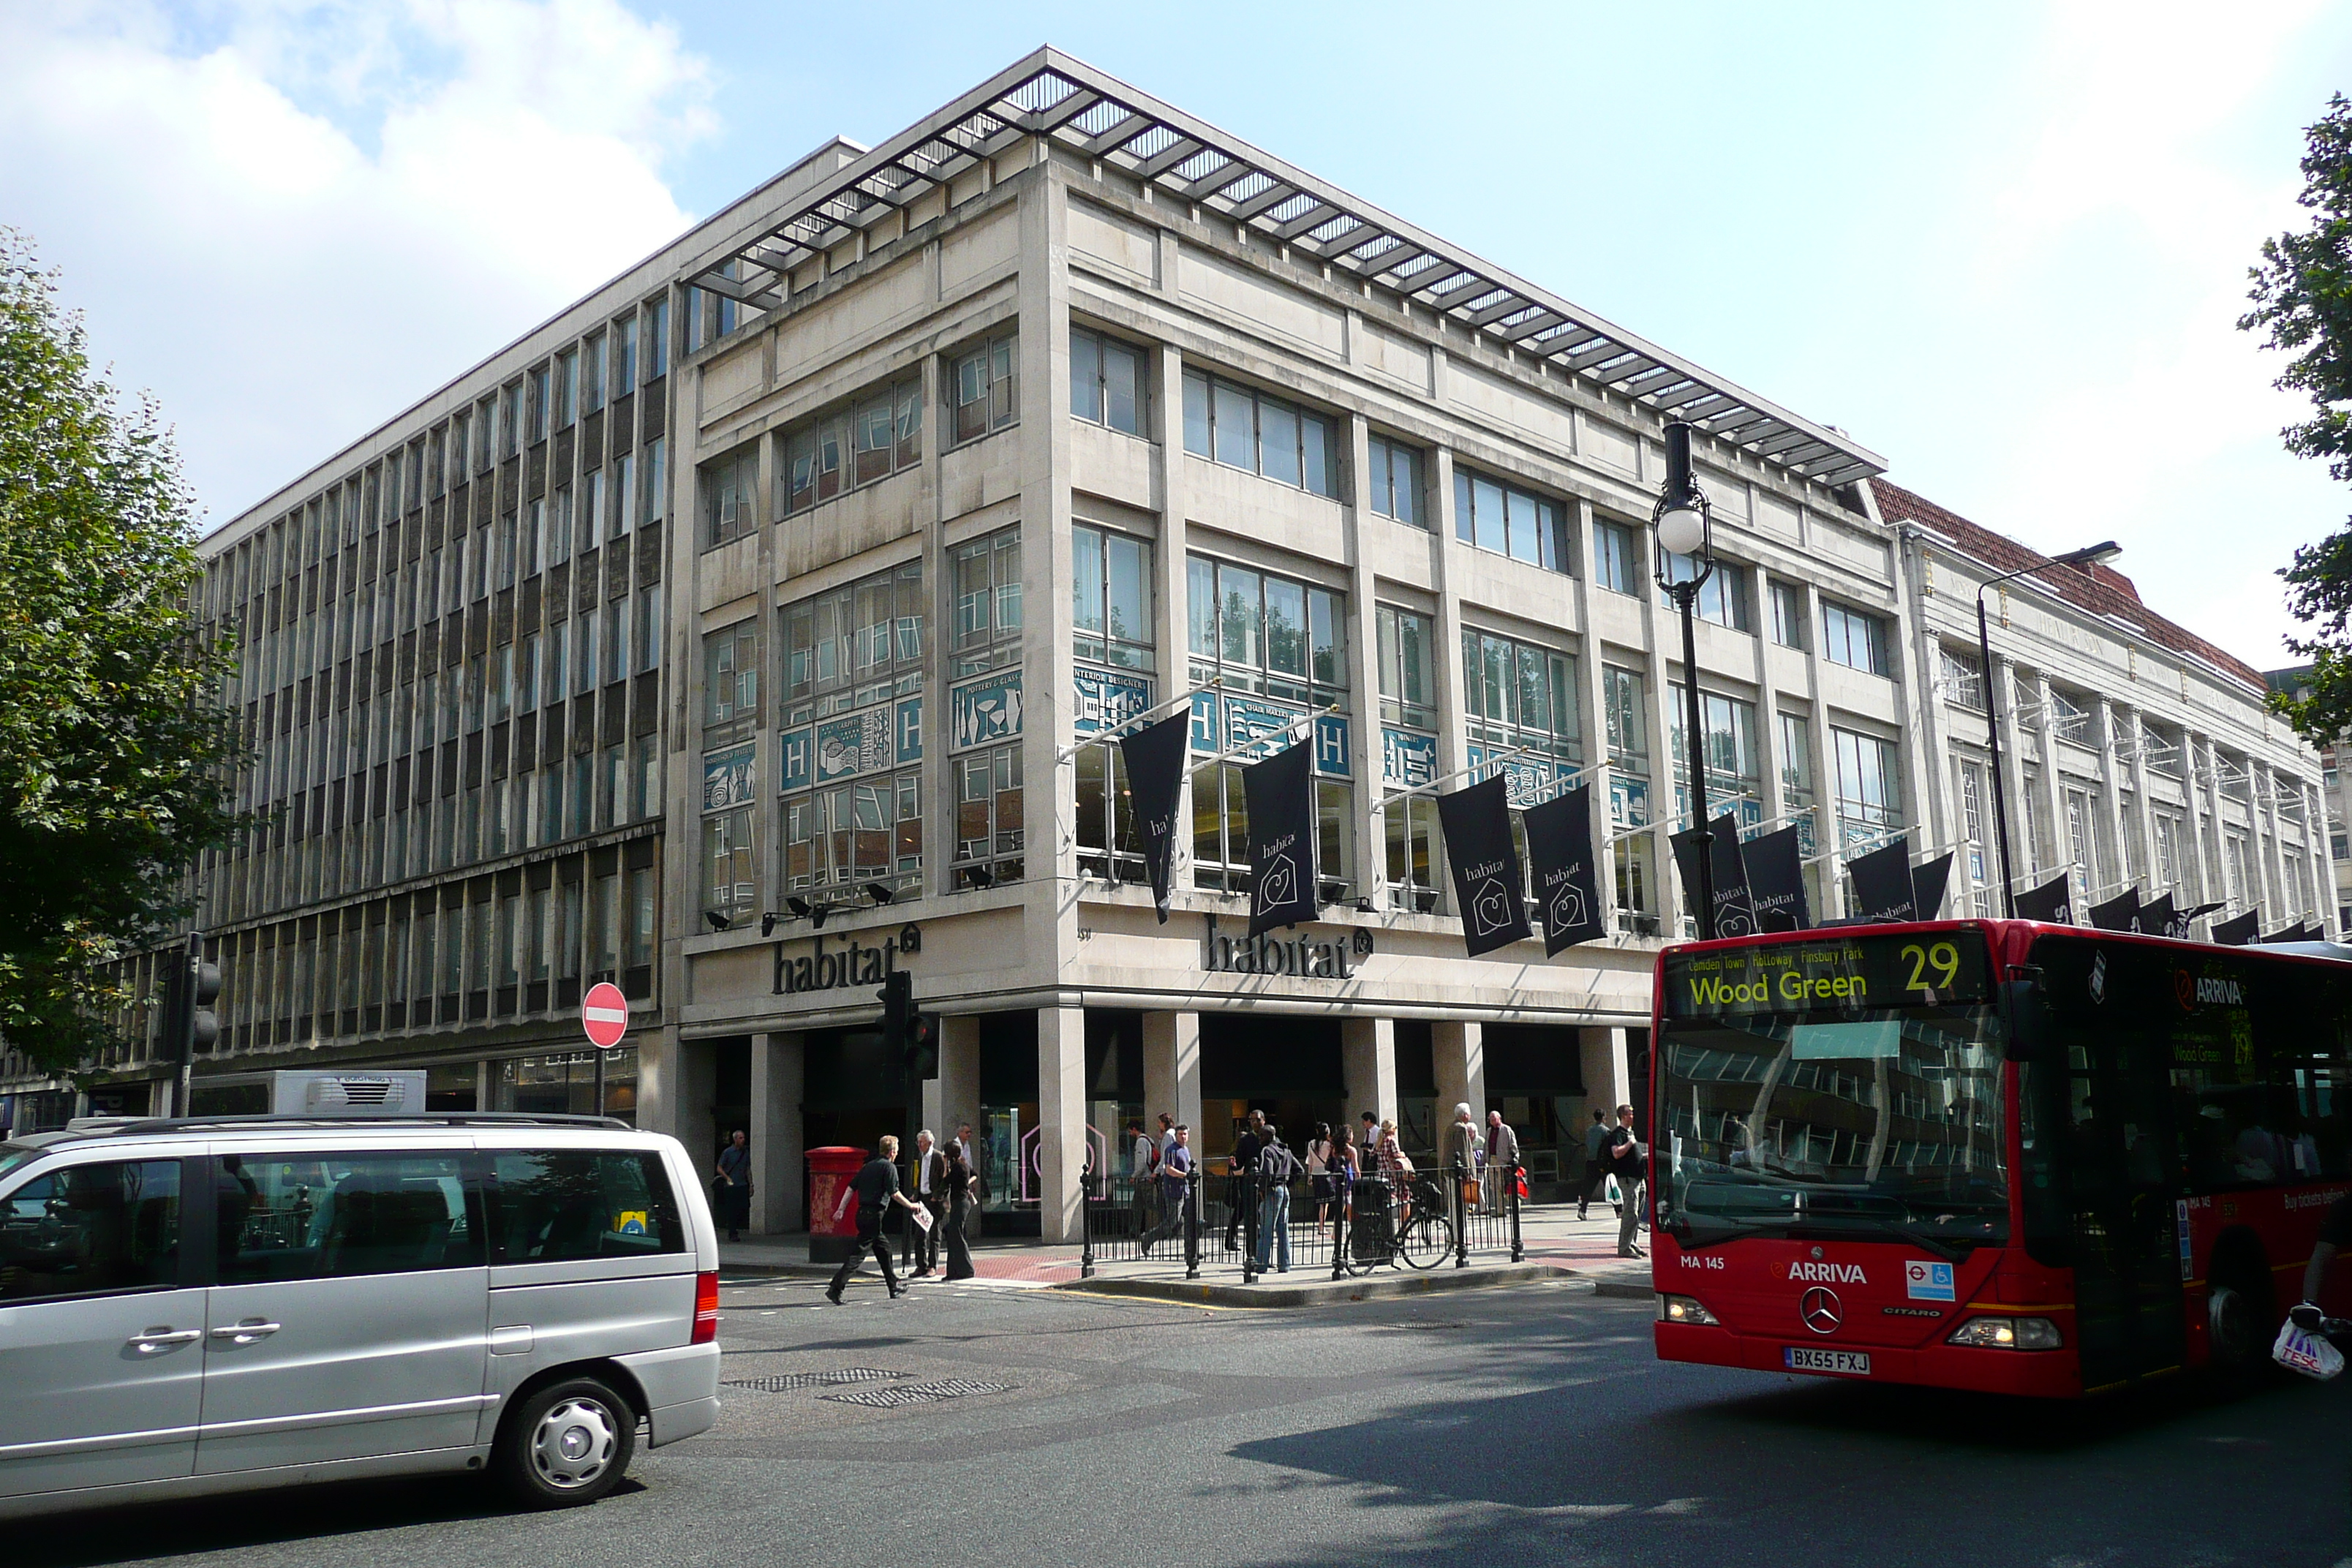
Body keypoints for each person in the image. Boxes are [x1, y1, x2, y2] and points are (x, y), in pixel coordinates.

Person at [826, 1134, 917, 1303]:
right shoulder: (889, 1168)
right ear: (891, 1152)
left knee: (885, 1251)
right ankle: (835, 1288)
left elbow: (850, 1188)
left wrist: (841, 1209)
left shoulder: (868, 1166)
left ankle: (893, 1286)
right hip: (874, 1216)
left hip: (862, 1215)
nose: (897, 1154)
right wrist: (911, 1206)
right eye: (897, 1151)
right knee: (858, 1255)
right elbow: (894, 1193)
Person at [1141, 1124, 1193, 1256]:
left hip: (1185, 1191)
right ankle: (1148, 1238)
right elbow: (1169, 1169)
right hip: (1174, 1190)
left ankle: (1191, 1251)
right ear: (1176, 1136)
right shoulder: (1172, 1150)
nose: (1183, 1137)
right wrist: (1185, 1175)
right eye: (1181, 1134)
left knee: (1191, 1221)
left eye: (1185, 1134)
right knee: (1172, 1222)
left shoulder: (1185, 1150)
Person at [1604, 1104, 1646, 1258]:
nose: (1633, 1116)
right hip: (1628, 1180)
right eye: (1630, 1113)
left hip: (1639, 1178)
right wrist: (1631, 1143)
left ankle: (1632, 1243)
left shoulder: (1630, 1133)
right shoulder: (1618, 1134)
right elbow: (1616, 1153)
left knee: (1637, 1214)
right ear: (1623, 1116)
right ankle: (1624, 1248)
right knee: (1630, 1213)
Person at [1256, 1123, 1298, 1273]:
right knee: (1283, 1229)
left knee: (1267, 1229)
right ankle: (1284, 1264)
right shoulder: (1286, 1150)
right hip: (1284, 1190)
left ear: (1269, 1136)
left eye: (1262, 1135)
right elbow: (1298, 1170)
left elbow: (1267, 1173)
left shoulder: (1267, 1151)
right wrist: (1287, 1183)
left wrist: (1262, 1190)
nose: (1259, 1138)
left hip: (1273, 1191)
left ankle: (1261, 1263)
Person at [905, 1129, 946, 1278]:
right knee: (920, 1234)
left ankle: (932, 1266)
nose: (919, 1145)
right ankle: (920, 1265)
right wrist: (916, 1194)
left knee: (935, 1234)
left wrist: (938, 1196)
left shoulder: (938, 1157)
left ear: (930, 1142)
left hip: (934, 1200)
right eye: (918, 1142)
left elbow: (944, 1180)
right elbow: (919, 1177)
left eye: (922, 1142)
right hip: (922, 1199)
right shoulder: (921, 1157)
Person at [1224, 1110, 1267, 1252]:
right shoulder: (1245, 1140)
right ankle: (1253, 1250)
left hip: (1265, 1183)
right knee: (1249, 1215)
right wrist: (1234, 1166)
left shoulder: (1270, 1138)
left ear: (1264, 1121)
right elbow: (1240, 1163)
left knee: (1258, 1215)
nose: (1255, 1123)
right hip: (1248, 1184)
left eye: (1258, 1120)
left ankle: (1260, 1249)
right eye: (1252, 1120)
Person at [941, 1138, 978, 1281]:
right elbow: (975, 1174)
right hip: (960, 1203)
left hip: (961, 1203)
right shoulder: (963, 1164)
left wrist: (945, 1165)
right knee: (952, 1234)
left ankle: (967, 1269)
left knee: (957, 1235)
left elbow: (945, 1180)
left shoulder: (958, 1167)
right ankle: (953, 1271)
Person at [715, 1129, 751, 1243]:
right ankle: (732, 1233)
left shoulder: (745, 1152)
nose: (743, 1140)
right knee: (732, 1210)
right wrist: (727, 1177)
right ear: (735, 1139)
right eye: (740, 1138)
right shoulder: (728, 1152)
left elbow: (747, 1169)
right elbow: (719, 1168)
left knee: (744, 1207)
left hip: (742, 1184)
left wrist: (751, 1184)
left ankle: (736, 1225)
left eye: (743, 1138)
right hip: (730, 1185)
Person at [1578, 1109, 1613, 1222]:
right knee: (1610, 1186)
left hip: (1590, 1162)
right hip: (1602, 1163)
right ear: (1603, 1118)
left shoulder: (1589, 1131)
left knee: (1589, 1187)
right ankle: (1619, 1210)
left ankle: (1582, 1210)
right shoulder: (1605, 1131)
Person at [1485, 1109, 1520, 1216]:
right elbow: (1486, 1146)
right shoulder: (1489, 1131)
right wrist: (1484, 1160)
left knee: (1505, 1186)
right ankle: (1500, 1210)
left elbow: (1513, 1146)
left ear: (1499, 1118)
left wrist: (1514, 1159)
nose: (1492, 1120)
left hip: (1504, 1161)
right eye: (1490, 1119)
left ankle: (1515, 1205)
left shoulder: (1507, 1130)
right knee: (1495, 1187)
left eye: (1494, 1118)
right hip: (1492, 1160)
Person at [1304, 1122, 1334, 1224]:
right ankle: (1322, 1225)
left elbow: (1310, 1162)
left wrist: (1310, 1177)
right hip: (1326, 1174)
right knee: (1327, 1203)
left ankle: (1321, 1225)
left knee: (1321, 1203)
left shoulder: (1311, 1144)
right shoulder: (1329, 1145)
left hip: (1316, 1174)